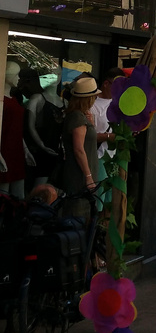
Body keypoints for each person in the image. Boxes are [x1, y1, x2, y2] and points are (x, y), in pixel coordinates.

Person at [58, 73, 101, 221]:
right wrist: (88, 176)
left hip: (83, 172)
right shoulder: (77, 117)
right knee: (78, 213)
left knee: (83, 213)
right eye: (94, 97)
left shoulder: (79, 116)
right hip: (79, 174)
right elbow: (78, 149)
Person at [18, 67, 63, 190]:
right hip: (39, 150)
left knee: (51, 188)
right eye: (51, 74)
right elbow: (29, 126)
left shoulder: (64, 102)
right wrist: (41, 145)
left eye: (58, 74)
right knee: (37, 187)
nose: (55, 77)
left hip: (56, 151)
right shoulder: (37, 98)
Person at [1, 62, 26, 198]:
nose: (18, 79)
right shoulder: (2, 101)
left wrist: (25, 149)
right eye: (16, 75)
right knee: (3, 195)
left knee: (19, 195)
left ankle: (18, 218)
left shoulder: (14, 100)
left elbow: (16, 127)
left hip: (16, 150)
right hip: (4, 150)